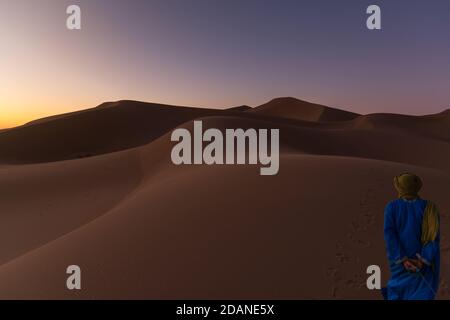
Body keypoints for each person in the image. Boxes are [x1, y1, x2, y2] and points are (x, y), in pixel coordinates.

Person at [383, 173, 440, 300]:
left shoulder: (391, 207)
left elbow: (389, 235)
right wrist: (423, 260)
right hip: (424, 264)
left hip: (401, 264)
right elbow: (433, 237)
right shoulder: (430, 208)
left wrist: (403, 259)